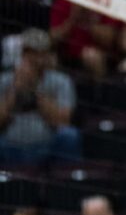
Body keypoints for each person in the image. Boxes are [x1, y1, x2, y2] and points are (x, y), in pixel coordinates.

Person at [0, 28, 80, 164]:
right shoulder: (4, 81)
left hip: (47, 146)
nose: (36, 58)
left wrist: (34, 90)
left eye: (40, 52)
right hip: (9, 146)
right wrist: (15, 88)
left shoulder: (61, 81)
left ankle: (64, 184)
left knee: (69, 136)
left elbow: (62, 121)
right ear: (22, 53)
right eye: (30, 52)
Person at [49, 0, 118, 77]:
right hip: (67, 56)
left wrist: (89, 20)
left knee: (91, 55)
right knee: (48, 60)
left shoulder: (106, 1)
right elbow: (53, 38)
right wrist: (73, 18)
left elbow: (110, 39)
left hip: (97, 56)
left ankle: (100, 94)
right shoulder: (64, 1)